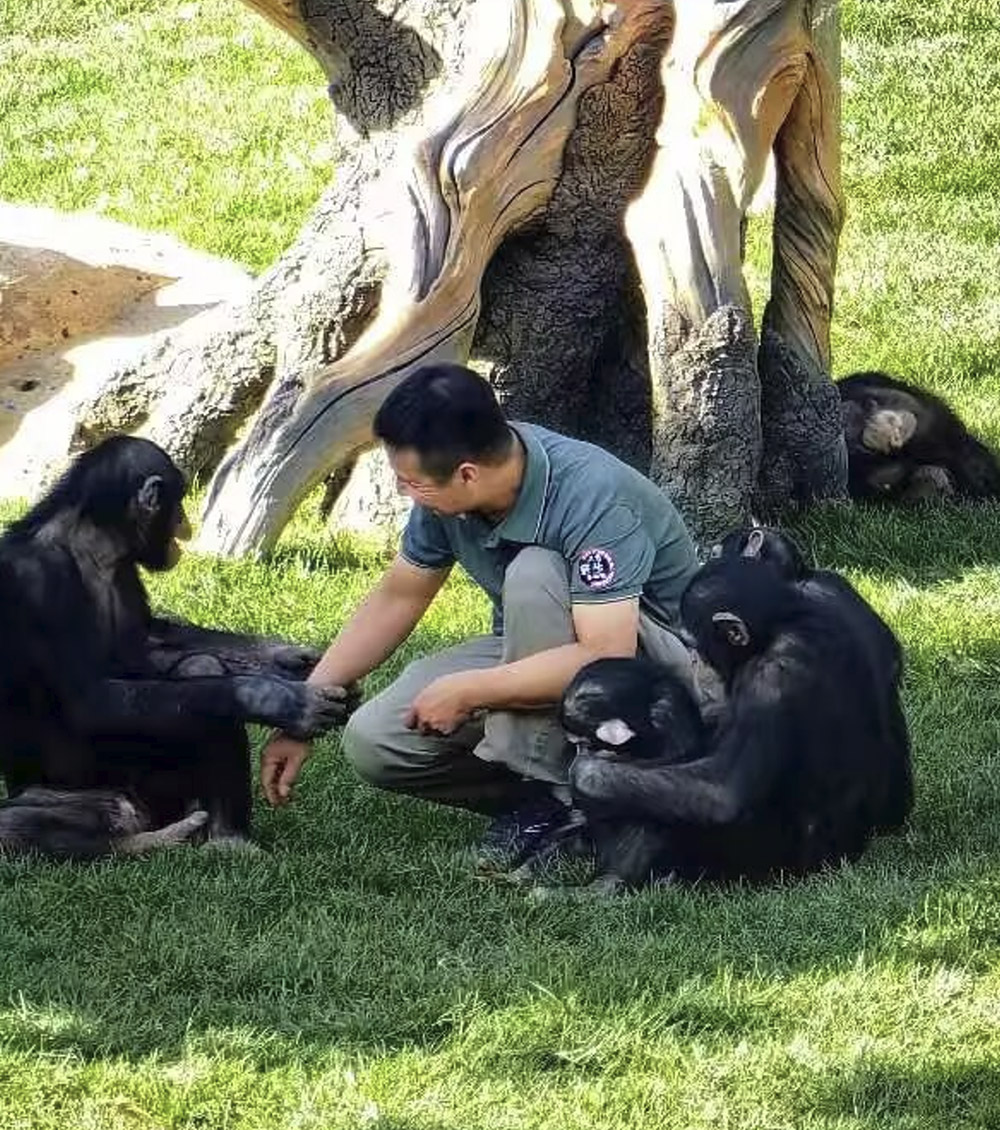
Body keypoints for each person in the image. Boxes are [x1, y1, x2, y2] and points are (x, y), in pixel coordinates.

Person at [260, 362, 701, 873]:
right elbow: (398, 597)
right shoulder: (446, 498)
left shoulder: (590, 492)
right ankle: (578, 803)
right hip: (552, 653)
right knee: (375, 741)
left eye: (411, 483)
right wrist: (305, 709)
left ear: (467, 473)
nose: (406, 494)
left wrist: (473, 691)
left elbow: (606, 656)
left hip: (656, 677)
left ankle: (554, 797)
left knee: (534, 573)